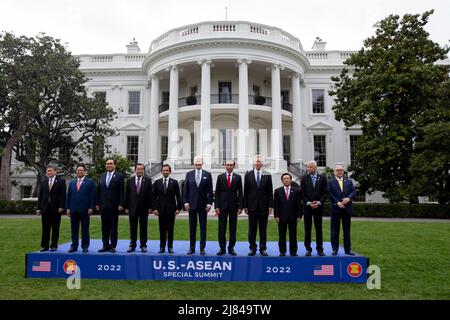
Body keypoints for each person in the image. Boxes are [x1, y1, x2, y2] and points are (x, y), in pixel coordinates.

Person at [243, 155, 273, 256]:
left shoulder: (267, 175)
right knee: (252, 229)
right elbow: (245, 191)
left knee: (263, 229)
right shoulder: (248, 175)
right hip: (252, 207)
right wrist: (245, 206)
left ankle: (262, 248)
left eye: (259, 162)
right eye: (256, 162)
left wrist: (270, 206)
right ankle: (252, 248)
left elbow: (270, 192)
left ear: (262, 164)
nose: (258, 164)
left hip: (264, 207)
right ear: (254, 163)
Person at [183, 155, 213, 255]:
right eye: (196, 163)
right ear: (194, 164)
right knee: (192, 227)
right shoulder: (189, 174)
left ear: (202, 164)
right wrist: (186, 202)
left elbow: (210, 190)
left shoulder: (208, 175)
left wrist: (209, 203)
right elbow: (185, 190)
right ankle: (192, 247)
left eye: (199, 163)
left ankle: (202, 248)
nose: (198, 165)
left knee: (203, 227)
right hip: (191, 205)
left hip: (203, 206)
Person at [215, 160, 243, 256]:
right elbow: (217, 193)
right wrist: (217, 206)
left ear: (234, 166)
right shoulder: (220, 177)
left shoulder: (238, 177)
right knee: (221, 228)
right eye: (228, 165)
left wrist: (240, 207)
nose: (229, 167)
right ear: (225, 166)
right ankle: (222, 248)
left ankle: (231, 248)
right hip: (222, 207)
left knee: (232, 228)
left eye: (231, 165)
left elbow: (240, 193)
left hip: (233, 206)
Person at [96, 159, 124, 253]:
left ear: (114, 165)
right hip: (103, 206)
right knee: (104, 227)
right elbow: (99, 191)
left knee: (113, 227)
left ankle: (113, 246)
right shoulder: (102, 176)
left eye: (111, 164)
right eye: (107, 164)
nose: (109, 165)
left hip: (114, 206)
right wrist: (97, 203)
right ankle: (105, 245)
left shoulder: (119, 176)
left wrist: (120, 204)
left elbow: (121, 191)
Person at [300, 160, 328, 256]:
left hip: (318, 207)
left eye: (310, 167)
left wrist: (319, 202)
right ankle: (308, 249)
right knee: (307, 229)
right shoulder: (304, 178)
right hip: (308, 207)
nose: (308, 169)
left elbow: (325, 193)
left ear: (315, 167)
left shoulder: (323, 178)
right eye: (307, 167)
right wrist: (308, 203)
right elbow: (302, 193)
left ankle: (320, 249)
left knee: (318, 229)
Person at [66, 164, 96, 253]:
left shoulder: (90, 182)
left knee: (85, 229)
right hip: (73, 209)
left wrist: (91, 207)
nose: (79, 172)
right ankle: (74, 246)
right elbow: (69, 196)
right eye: (78, 170)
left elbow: (93, 196)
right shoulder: (72, 182)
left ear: (85, 172)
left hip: (85, 210)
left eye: (81, 170)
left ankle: (85, 246)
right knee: (74, 229)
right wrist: (68, 208)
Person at [36, 164, 66, 252]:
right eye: (48, 171)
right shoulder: (44, 182)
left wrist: (61, 206)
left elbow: (63, 195)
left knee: (55, 228)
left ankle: (54, 245)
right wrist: (38, 208)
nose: (49, 172)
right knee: (45, 228)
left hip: (56, 209)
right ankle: (44, 246)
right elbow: (41, 196)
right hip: (45, 209)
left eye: (50, 170)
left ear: (55, 171)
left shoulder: (61, 181)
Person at [153, 164, 182, 254]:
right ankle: (162, 247)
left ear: (170, 171)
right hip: (160, 210)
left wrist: (178, 208)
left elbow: (178, 196)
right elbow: (154, 197)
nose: (165, 172)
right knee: (161, 229)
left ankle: (170, 247)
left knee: (170, 229)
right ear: (161, 171)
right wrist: (155, 208)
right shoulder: (157, 182)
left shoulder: (175, 182)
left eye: (167, 170)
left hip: (171, 210)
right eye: (164, 170)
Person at [328, 165, 356, 255]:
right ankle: (335, 249)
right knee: (335, 230)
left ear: (343, 171)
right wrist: (337, 202)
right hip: (335, 209)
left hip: (347, 209)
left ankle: (348, 250)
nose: (339, 171)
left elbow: (353, 191)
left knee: (347, 230)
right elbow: (329, 194)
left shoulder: (349, 181)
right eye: (337, 170)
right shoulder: (330, 182)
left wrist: (348, 198)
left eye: (341, 170)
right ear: (334, 172)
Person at [124, 163, 153, 253]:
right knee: (133, 228)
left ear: (143, 170)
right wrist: (126, 207)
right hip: (132, 208)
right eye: (138, 169)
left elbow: (150, 195)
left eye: (141, 169)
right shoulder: (130, 180)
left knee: (143, 228)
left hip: (144, 208)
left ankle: (143, 245)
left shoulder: (148, 181)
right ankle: (132, 245)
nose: (140, 171)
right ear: (135, 170)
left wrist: (150, 207)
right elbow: (127, 195)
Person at [273, 173, 303, 256]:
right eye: (284, 179)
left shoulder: (296, 190)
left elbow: (299, 204)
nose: (286, 180)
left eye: (288, 178)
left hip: (293, 216)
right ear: (282, 180)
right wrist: (276, 215)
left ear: (290, 180)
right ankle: (282, 251)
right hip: (281, 217)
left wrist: (299, 215)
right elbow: (276, 204)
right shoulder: (278, 191)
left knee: (293, 235)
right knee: (282, 235)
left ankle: (293, 251)